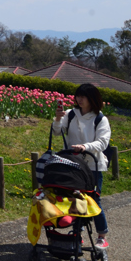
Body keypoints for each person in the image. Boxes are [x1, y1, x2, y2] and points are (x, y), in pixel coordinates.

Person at [53, 83, 111, 249]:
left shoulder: (100, 119)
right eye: (78, 96)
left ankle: (102, 235)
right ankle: (78, 232)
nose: (79, 99)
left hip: (93, 164)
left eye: (83, 96)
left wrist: (86, 147)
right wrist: (58, 118)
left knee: (93, 199)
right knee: (74, 198)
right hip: (73, 163)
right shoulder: (71, 114)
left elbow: (102, 142)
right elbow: (57, 132)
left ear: (92, 99)